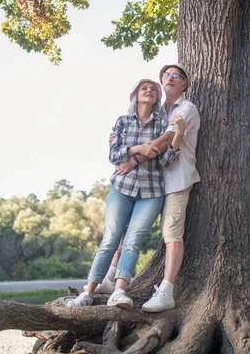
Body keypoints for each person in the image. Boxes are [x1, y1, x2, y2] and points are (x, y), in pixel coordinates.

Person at [67, 79, 186, 309]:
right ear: (135, 95)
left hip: (151, 192)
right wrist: (137, 149)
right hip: (122, 187)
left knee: (133, 242)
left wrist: (177, 136)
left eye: (153, 89)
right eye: (144, 89)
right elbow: (114, 155)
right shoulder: (122, 121)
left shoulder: (163, 125)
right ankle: (88, 292)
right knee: (110, 240)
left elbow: (165, 160)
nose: (149, 91)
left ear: (157, 98)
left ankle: (119, 292)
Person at [109, 63, 200, 313]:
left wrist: (132, 160)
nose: (170, 78)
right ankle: (111, 279)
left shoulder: (187, 109)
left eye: (177, 76)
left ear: (184, 84)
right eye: (166, 75)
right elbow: (134, 129)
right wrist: (118, 138)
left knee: (171, 234)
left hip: (176, 180)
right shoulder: (158, 109)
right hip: (152, 181)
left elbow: (162, 142)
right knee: (127, 228)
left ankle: (166, 291)